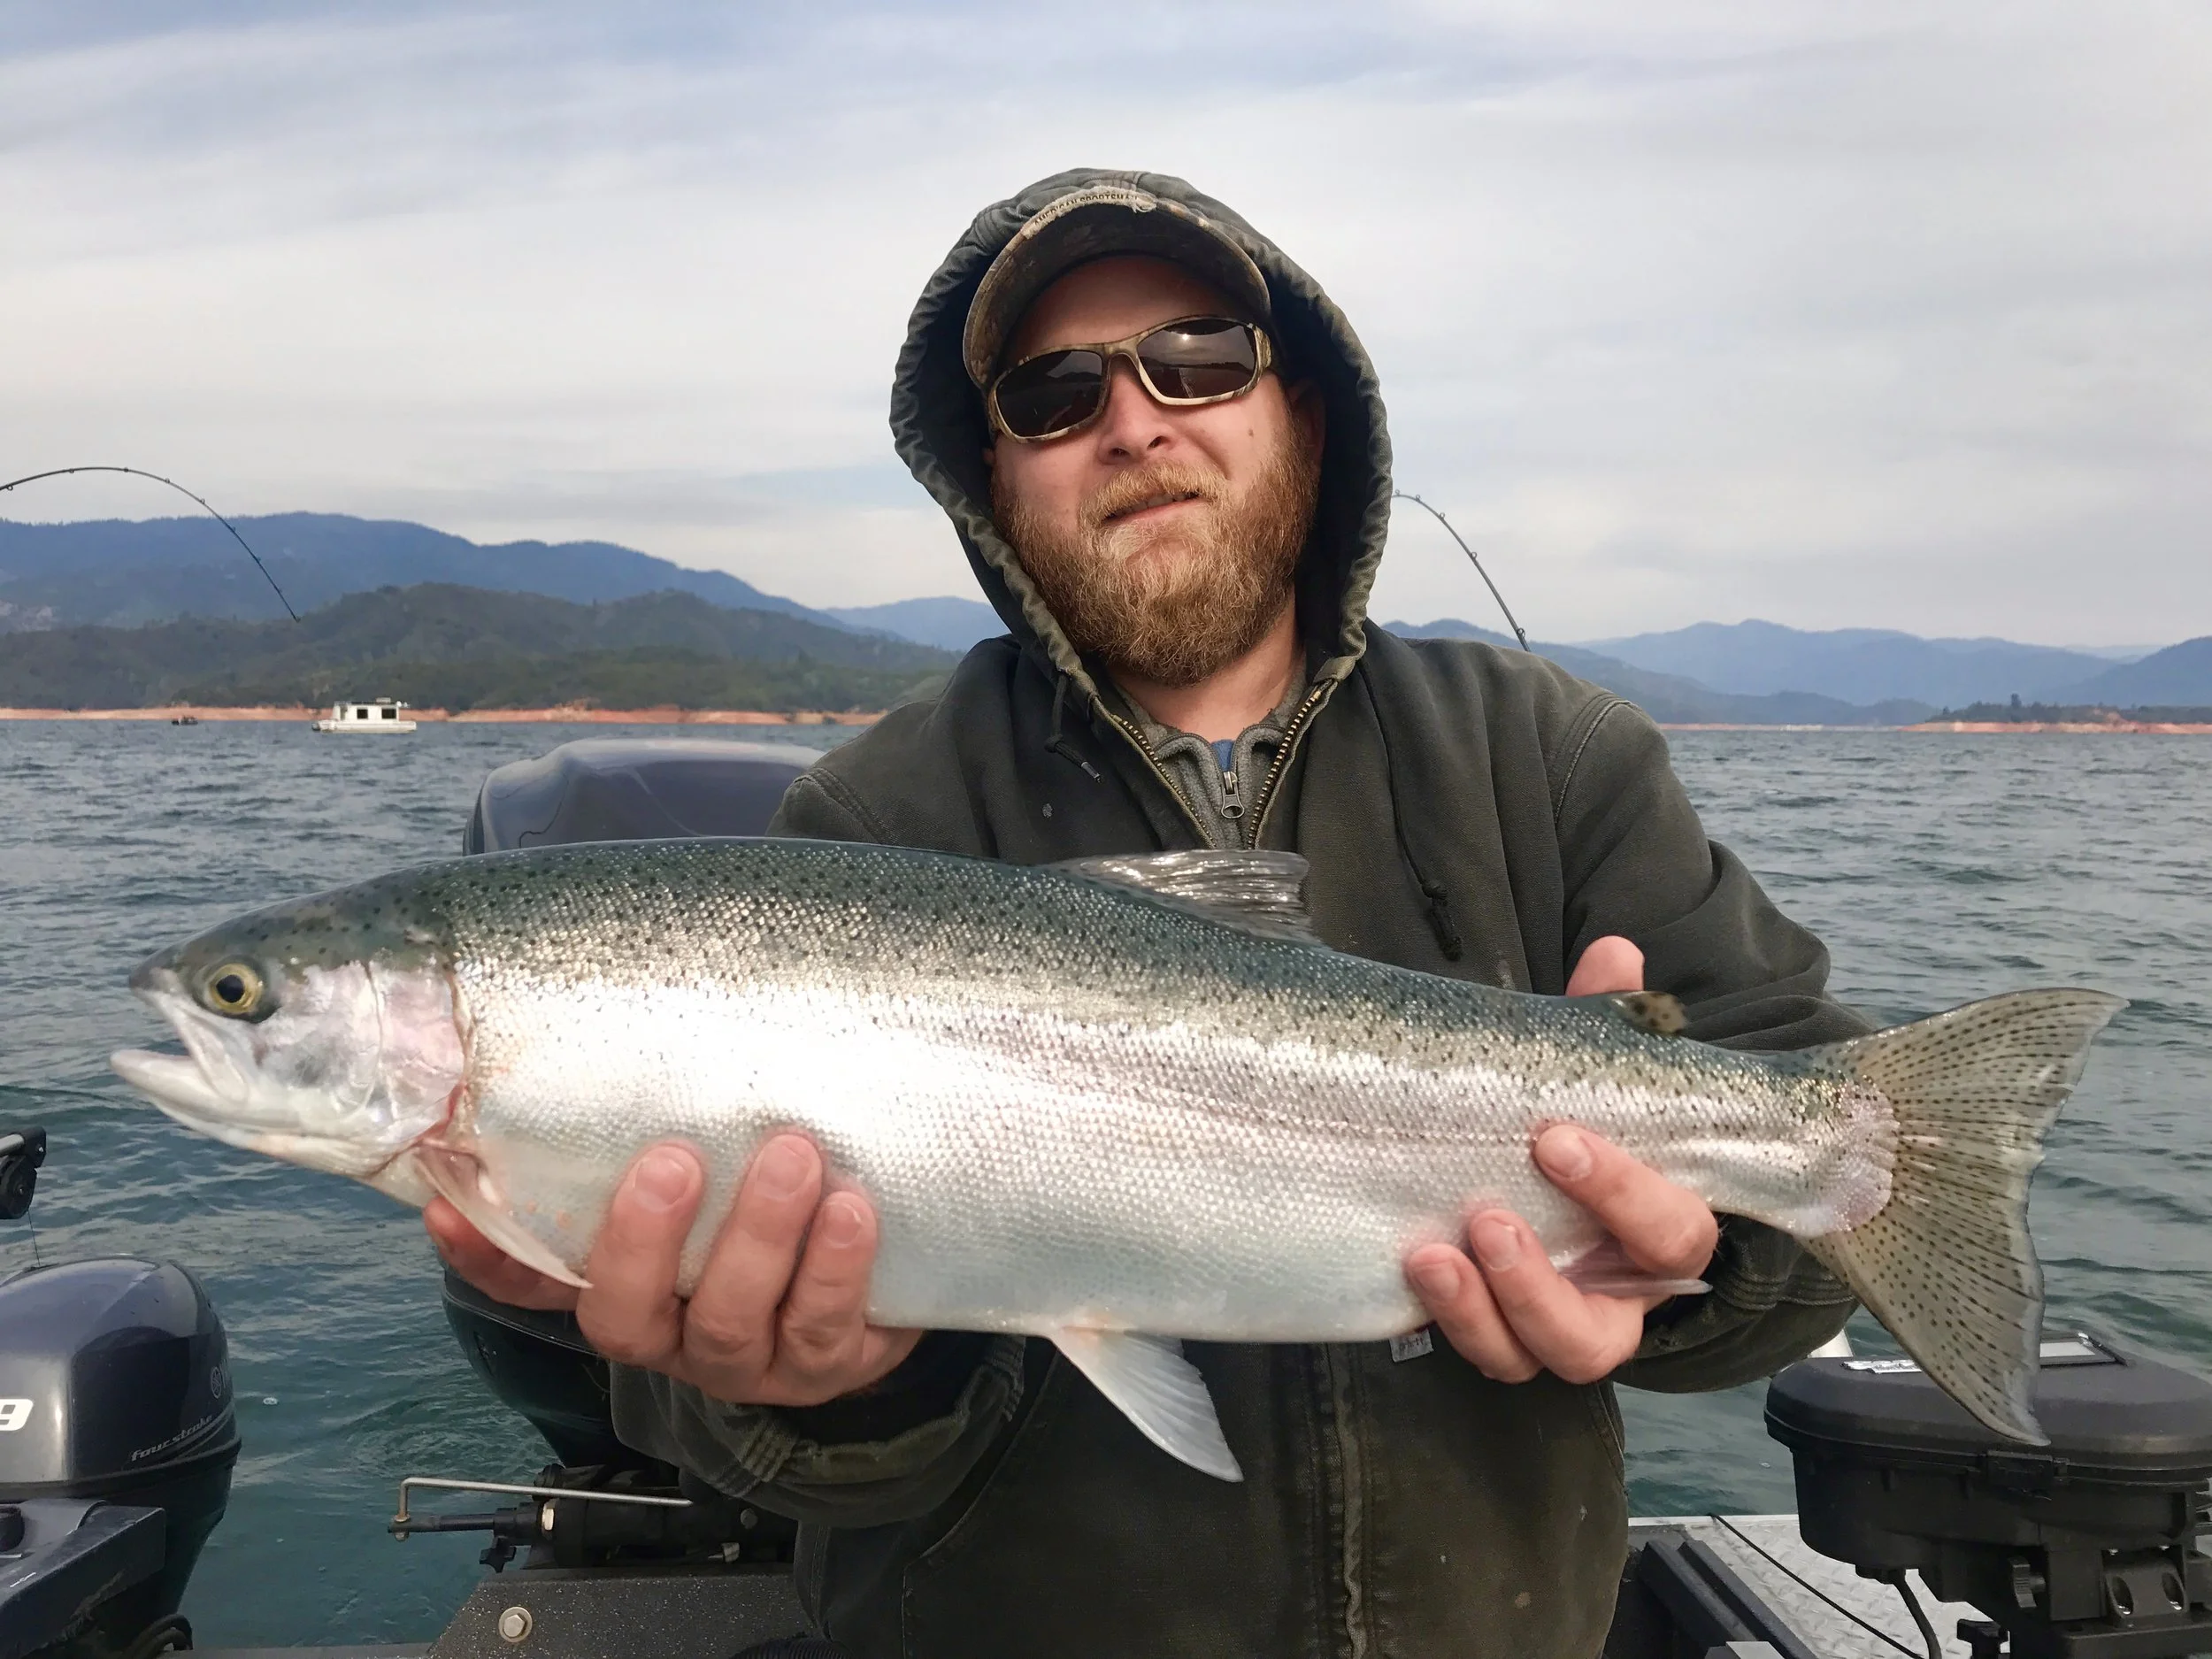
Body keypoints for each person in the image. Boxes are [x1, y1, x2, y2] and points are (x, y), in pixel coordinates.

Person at [431, 169, 1866, 1657]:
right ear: (993, 479)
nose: (1135, 419)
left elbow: (1822, 1177)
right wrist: (834, 1382)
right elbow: (711, 1410)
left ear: (1300, 410)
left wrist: (1684, 1272)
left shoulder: (1548, 756)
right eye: (1054, 394)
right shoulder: (868, 819)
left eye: (1200, 358)